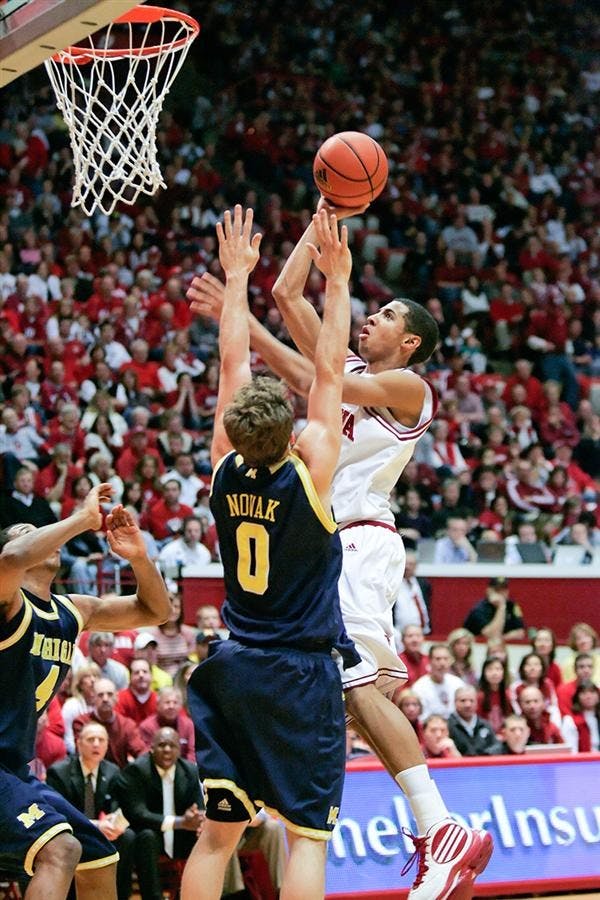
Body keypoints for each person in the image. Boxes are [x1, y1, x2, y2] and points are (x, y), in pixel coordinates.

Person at [188, 203, 492, 897]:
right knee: (358, 693)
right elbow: (289, 298)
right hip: (326, 544)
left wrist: (245, 319)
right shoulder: (350, 364)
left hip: (358, 541)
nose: (371, 319)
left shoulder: (411, 389)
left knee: (353, 686)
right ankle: (436, 826)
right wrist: (321, 217)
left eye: (387, 317)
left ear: (411, 343)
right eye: (371, 310)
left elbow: (317, 378)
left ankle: (439, 826)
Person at [182, 204, 359, 900]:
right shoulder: (310, 468)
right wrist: (337, 280)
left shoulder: (223, 464)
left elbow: (232, 357)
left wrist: (236, 279)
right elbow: (328, 374)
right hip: (298, 675)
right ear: (289, 435)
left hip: (233, 666)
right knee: (306, 836)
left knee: (218, 835)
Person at [0, 483, 170, 898]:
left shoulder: (74, 611)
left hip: (14, 769)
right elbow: (9, 558)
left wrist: (140, 558)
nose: (41, 536)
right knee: (61, 849)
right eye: (28, 532)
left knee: (97, 855)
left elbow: (157, 610)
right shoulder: (6, 602)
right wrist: (79, 520)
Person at [46, 722, 136, 900]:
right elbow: (57, 814)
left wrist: (114, 822)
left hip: (102, 832)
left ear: (107, 745)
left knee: (128, 836)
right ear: (78, 743)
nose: (96, 744)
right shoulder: (59, 772)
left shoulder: (112, 771)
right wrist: (94, 825)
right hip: (70, 831)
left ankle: (120, 894)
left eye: (101, 740)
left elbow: (117, 805)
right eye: (90, 739)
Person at [115, 727, 204, 900]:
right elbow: (137, 814)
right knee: (146, 837)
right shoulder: (137, 771)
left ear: (179, 750)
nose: (167, 750)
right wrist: (180, 822)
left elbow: (199, 807)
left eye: (172, 746)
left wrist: (197, 820)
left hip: (181, 838)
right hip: (149, 836)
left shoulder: (190, 771)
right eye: (162, 745)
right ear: (151, 748)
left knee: (206, 837)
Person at [73, 678, 147, 769]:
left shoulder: (127, 725)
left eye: (110, 694)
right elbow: (81, 753)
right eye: (100, 695)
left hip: (118, 778)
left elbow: (141, 753)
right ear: (93, 698)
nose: (105, 699)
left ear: (117, 697)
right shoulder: (82, 722)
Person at [139, 686, 196, 762]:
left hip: (184, 770)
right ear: (158, 705)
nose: (171, 706)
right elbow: (146, 755)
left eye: (175, 703)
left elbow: (193, 753)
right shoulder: (146, 727)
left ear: (180, 706)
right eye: (167, 702)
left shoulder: (188, 725)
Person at [412, 644, 465, 721]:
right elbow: (420, 719)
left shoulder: (458, 683)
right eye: (438, 659)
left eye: (446, 659)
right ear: (429, 661)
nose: (442, 663)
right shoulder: (419, 687)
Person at [463, 576, 526, 641]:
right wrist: (501, 607)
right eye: (497, 590)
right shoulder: (479, 609)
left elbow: (520, 633)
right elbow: (491, 635)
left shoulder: (512, 606)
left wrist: (501, 638)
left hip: (502, 647)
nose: (501, 593)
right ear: (488, 591)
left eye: (504, 590)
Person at [447, 686, 502, 756]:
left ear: (477, 703)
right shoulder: (447, 726)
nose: (468, 705)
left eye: (471, 700)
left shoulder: (485, 724)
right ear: (455, 702)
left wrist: (484, 756)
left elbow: (497, 746)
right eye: (463, 700)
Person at [115, 656, 157, 725]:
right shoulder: (119, 699)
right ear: (130, 677)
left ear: (151, 676)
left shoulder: (158, 700)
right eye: (136, 672)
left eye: (145, 672)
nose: (141, 675)